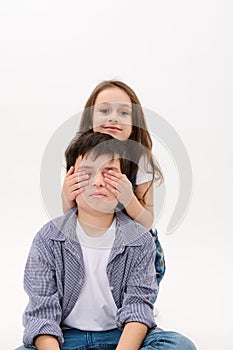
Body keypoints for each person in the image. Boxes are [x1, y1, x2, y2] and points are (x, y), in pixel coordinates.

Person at [17, 131, 196, 350]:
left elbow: (138, 308)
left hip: (122, 336)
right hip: (66, 338)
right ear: (70, 180)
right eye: (87, 173)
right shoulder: (48, 238)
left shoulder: (139, 240)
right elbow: (41, 313)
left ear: (125, 184)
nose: (99, 182)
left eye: (109, 172)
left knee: (179, 345)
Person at [62, 80, 165, 286]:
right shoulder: (81, 154)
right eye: (104, 110)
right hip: (94, 242)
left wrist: (128, 199)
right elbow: (68, 215)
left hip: (133, 248)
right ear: (90, 117)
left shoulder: (140, 159)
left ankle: (137, 303)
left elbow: (147, 222)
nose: (113, 118)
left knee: (135, 289)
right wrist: (66, 195)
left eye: (123, 113)